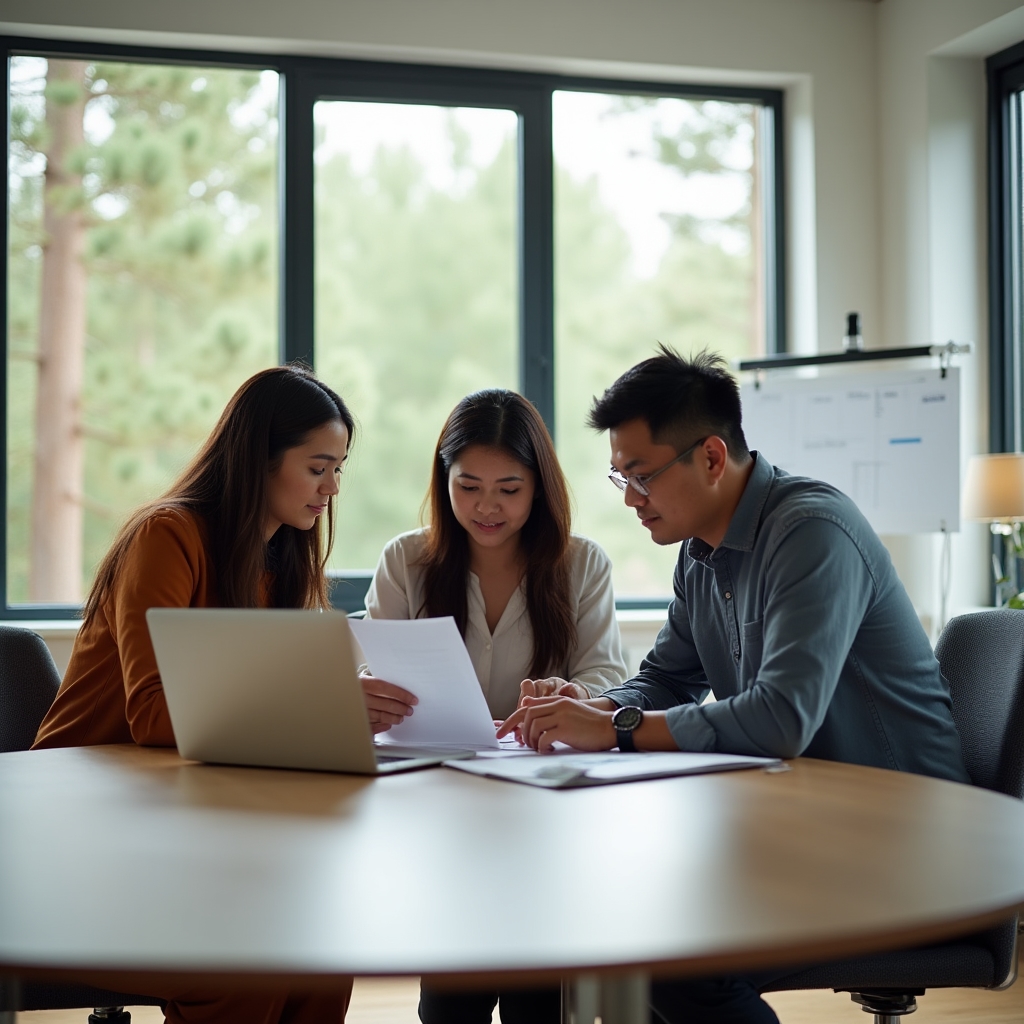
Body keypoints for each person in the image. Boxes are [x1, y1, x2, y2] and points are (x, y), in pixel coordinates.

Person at [499, 347, 969, 1024]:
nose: (630, 498)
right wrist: (596, 704)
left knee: (669, 953)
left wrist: (615, 728)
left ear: (712, 458)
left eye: (642, 476)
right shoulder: (699, 554)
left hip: (902, 848)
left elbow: (782, 719)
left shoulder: (812, 534)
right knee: (614, 914)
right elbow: (666, 677)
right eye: (619, 476)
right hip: (804, 829)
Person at [34, 364, 357, 1024]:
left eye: (340, 468)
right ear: (258, 459)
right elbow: (153, 715)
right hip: (86, 824)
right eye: (318, 466)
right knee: (245, 975)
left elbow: (259, 712)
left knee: (323, 960)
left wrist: (340, 703)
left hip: (189, 821)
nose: (332, 488)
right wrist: (312, 703)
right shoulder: (167, 535)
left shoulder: (287, 561)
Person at [361, 388, 627, 1024]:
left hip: (545, 800)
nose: (487, 507)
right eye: (468, 486)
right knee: (453, 999)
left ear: (539, 489)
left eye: (509, 488)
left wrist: (574, 695)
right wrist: (365, 687)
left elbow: (609, 672)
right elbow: (368, 660)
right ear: (443, 480)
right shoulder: (407, 559)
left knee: (540, 999)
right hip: (439, 801)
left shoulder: (582, 562)